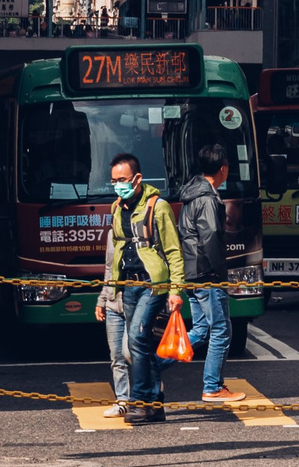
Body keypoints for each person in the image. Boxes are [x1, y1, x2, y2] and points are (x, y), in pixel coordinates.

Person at [101, 152, 182, 422]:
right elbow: (115, 252)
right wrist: (108, 292)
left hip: (152, 285)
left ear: (137, 178)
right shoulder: (116, 208)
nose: (117, 185)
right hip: (128, 286)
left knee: (136, 337)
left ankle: (139, 401)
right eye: (113, 181)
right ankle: (155, 403)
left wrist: (175, 290)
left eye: (122, 180)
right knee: (143, 343)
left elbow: (173, 251)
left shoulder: (158, 207)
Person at [176, 143, 240, 403]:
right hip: (207, 274)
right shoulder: (207, 198)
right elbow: (211, 236)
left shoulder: (193, 193)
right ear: (223, 168)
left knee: (202, 329)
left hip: (193, 272)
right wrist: (220, 275)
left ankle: (153, 365)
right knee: (221, 330)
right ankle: (212, 387)